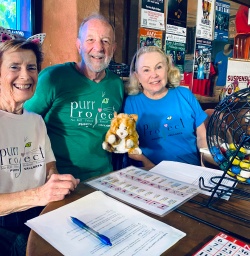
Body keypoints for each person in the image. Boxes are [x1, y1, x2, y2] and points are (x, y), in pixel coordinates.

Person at [0, 37, 79, 256]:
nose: (25, 76)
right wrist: (39, 195)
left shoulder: (35, 121)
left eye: (31, 67)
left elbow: (49, 165)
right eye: (14, 67)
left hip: (39, 215)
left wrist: (56, 181)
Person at [24, 13, 124, 181]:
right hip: (58, 181)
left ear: (113, 48)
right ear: (79, 45)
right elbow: (23, 122)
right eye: (90, 40)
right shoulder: (53, 78)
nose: (98, 48)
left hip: (104, 179)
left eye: (105, 41)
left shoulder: (116, 85)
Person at [123, 46, 208, 169]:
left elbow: (202, 137)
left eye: (159, 67)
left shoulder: (185, 95)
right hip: (151, 174)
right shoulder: (130, 104)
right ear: (137, 76)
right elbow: (131, 150)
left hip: (191, 172)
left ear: (167, 69)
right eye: (146, 70)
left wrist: (203, 169)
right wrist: (155, 171)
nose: (154, 75)